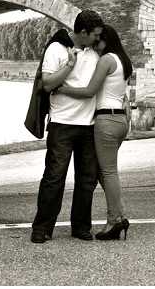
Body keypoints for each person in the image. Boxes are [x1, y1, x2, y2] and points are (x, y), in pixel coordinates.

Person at [30, 10, 104, 244]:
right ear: (82, 32)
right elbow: (48, 83)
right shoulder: (56, 49)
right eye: (94, 35)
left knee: (87, 179)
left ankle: (81, 227)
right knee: (54, 177)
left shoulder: (95, 52)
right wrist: (69, 66)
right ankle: (42, 228)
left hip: (89, 125)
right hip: (62, 124)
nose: (96, 39)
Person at [57, 24, 133, 240]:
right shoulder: (122, 60)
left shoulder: (107, 59)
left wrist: (63, 88)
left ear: (105, 40)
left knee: (108, 172)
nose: (94, 44)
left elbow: (90, 91)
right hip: (119, 120)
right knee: (103, 170)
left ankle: (114, 221)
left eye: (98, 40)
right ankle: (119, 215)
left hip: (106, 120)